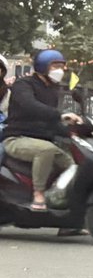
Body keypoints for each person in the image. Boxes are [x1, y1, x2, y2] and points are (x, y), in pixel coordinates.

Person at [4, 50, 84, 211]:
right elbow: (31, 106)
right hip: (16, 139)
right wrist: (61, 115)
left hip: (41, 140)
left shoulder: (52, 91)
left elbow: (51, 121)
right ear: (42, 67)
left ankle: (64, 215)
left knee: (73, 167)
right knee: (45, 150)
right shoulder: (23, 85)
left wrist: (72, 133)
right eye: (55, 66)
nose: (59, 70)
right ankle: (38, 194)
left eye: (62, 66)